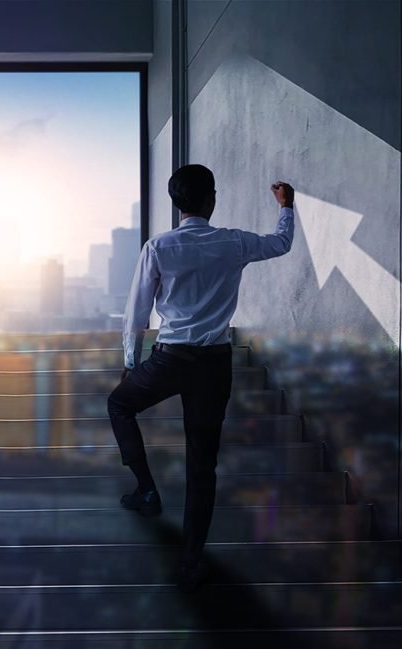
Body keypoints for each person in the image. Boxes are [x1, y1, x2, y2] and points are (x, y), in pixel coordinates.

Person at [107, 165, 296, 591]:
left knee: (119, 404)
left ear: (176, 204)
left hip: (170, 358)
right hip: (214, 363)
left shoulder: (158, 246)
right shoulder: (233, 242)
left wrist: (131, 361)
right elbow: (281, 244)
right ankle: (191, 559)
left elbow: (136, 313)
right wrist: (286, 207)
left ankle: (146, 489)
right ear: (211, 198)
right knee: (202, 462)